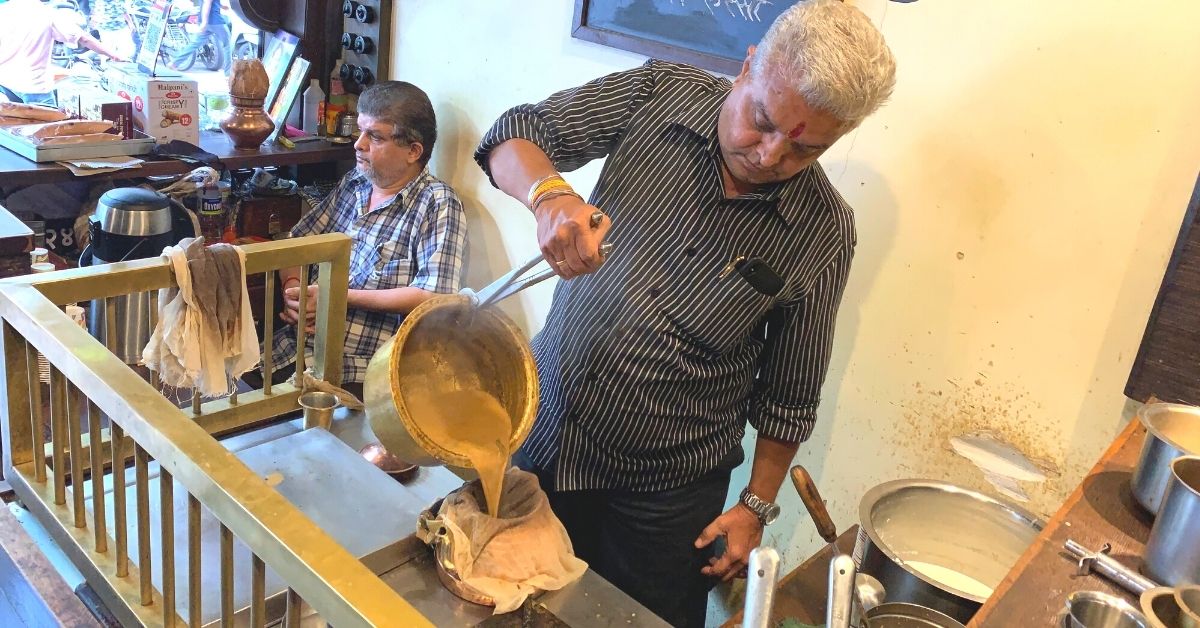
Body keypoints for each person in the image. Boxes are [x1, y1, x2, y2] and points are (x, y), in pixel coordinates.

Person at [473, 1, 895, 626]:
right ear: (748, 65)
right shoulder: (657, 94)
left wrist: (754, 505)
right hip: (544, 435)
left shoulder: (822, 231)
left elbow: (790, 392)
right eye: (763, 121)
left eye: (805, 149)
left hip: (663, 501)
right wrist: (549, 197)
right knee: (509, 606)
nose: (771, 155)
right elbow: (516, 131)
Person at [259, 81, 468, 398]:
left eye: (376, 136)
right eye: (360, 131)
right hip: (293, 346)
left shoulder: (437, 203)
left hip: (359, 373)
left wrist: (335, 296)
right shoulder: (356, 182)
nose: (358, 144)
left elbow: (433, 297)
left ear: (413, 151)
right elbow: (296, 243)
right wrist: (294, 294)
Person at [0, 0, 124, 106]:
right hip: (33, 87)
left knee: (13, 128)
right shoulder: (46, 13)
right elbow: (84, 39)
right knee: (47, 132)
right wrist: (114, 55)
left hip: (5, 83)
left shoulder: (3, 10)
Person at [168, 0, 229, 72]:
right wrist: (204, 22)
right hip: (215, 21)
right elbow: (207, 3)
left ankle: (175, 63)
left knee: (195, 44)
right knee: (227, 45)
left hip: (204, 20)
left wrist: (221, 6)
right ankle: (228, 74)